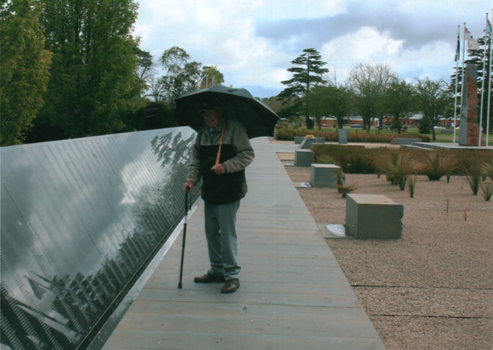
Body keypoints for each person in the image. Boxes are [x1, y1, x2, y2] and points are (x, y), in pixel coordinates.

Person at [183, 97, 254, 294]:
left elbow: (247, 154)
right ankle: (217, 271)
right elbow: (195, 160)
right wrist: (191, 180)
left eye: (210, 113)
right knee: (212, 232)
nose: (207, 118)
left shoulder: (234, 128)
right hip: (210, 190)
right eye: (204, 114)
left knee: (226, 234)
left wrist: (226, 166)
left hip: (230, 189)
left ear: (220, 112)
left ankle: (232, 275)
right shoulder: (203, 133)